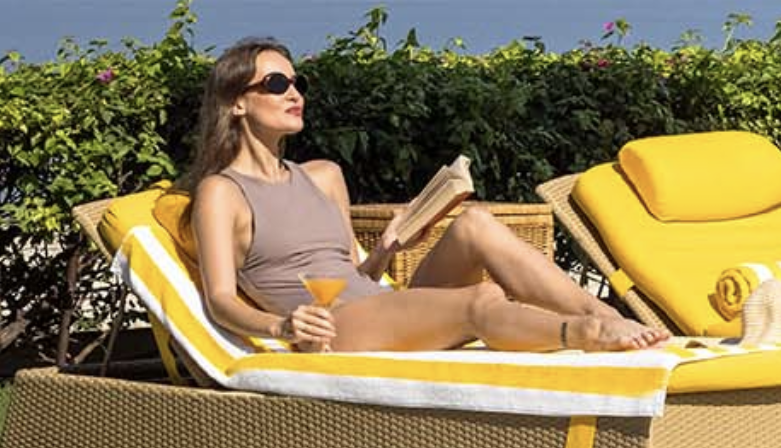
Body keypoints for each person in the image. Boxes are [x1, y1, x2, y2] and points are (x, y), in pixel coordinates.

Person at [184, 37, 669, 355]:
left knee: (475, 225)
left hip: (375, 305)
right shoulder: (221, 192)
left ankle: (602, 314)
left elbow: (350, 279)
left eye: (298, 83)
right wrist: (281, 327)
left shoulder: (324, 175)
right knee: (479, 299)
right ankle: (585, 334)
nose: (295, 93)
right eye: (276, 84)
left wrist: (384, 250)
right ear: (237, 102)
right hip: (335, 331)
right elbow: (221, 299)